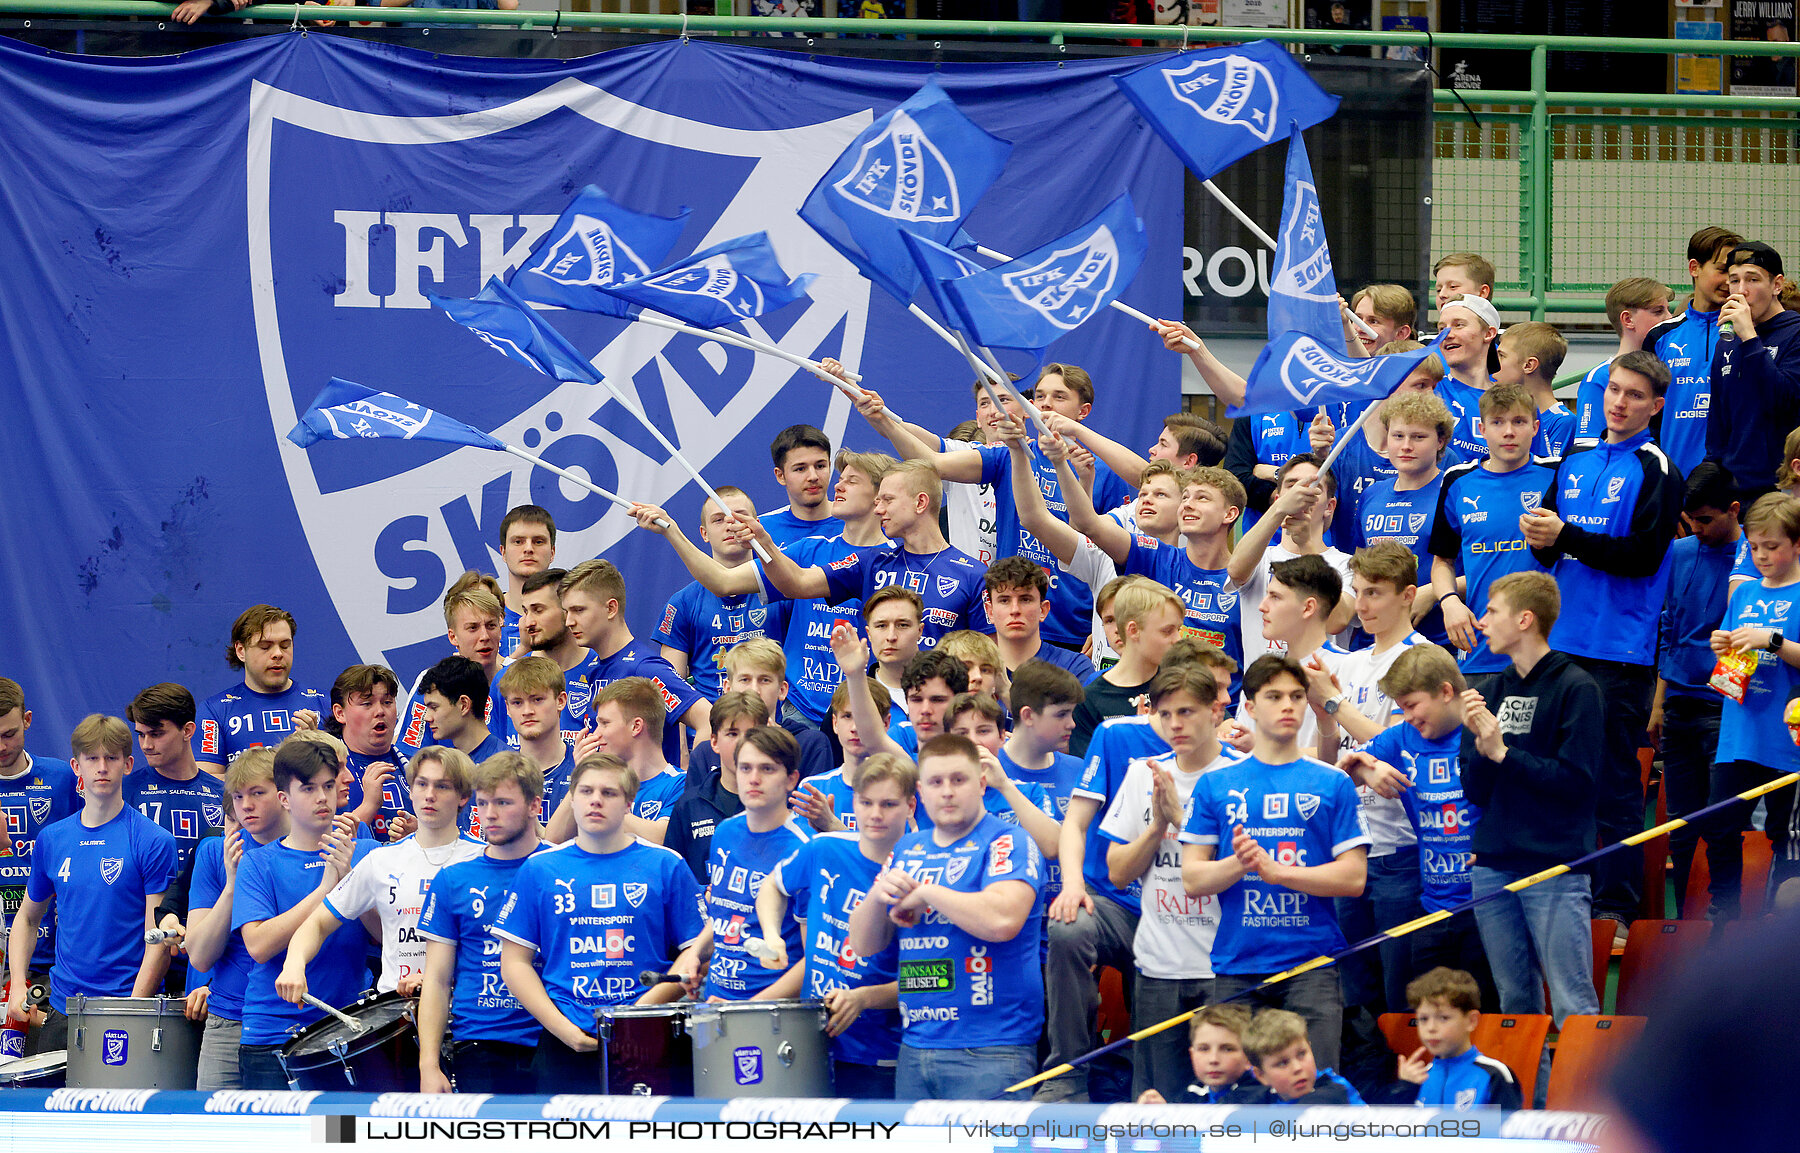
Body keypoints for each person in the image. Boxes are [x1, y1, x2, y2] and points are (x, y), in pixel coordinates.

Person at [1526, 349, 1683, 934]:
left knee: (1615, 783)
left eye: (1635, 395)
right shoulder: (1575, 457)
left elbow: (1643, 559)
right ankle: (1561, 891)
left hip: (1619, 650)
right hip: (1560, 642)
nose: (1619, 402)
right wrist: (1544, 539)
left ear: (1656, 406)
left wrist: (1566, 536)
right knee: (1557, 774)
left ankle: (1615, 905)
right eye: (1614, 390)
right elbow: (1551, 545)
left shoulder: (1658, 469)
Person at [854, 363, 1130, 650]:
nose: (1047, 404)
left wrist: (1106, 621)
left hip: (1077, 624)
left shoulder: (1106, 472)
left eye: (1059, 397)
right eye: (1041, 396)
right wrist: (882, 419)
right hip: (1012, 616)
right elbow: (933, 463)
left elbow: (1118, 557)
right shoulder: (1007, 453)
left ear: (1082, 411)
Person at [1181, 654, 1370, 1072]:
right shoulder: (1216, 783)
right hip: (1237, 965)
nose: (1288, 705)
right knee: (1236, 1097)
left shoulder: (1332, 781)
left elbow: (1354, 877)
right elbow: (1193, 878)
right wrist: (1240, 865)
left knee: (1314, 1094)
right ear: (1248, 707)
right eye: (1274, 696)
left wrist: (1277, 872)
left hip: (1312, 964)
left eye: (1297, 696)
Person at [1460, 572, 1602, 1101]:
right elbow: (1475, 789)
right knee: (1517, 1006)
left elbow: (1578, 783)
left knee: (1572, 1003)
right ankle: (1534, 1114)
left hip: (1555, 867)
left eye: (1491, 611)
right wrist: (1480, 748)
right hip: (1493, 864)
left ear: (1525, 619)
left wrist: (1502, 752)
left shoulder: (1576, 687)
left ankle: (1589, 1116)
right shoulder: (1491, 688)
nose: (1481, 620)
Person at [847, 733, 1046, 1101]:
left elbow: (1003, 920)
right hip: (915, 1045)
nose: (948, 792)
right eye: (936, 782)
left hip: (992, 1047)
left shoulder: (1009, 841)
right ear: (921, 792)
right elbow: (862, 944)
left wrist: (926, 893)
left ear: (982, 784)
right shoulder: (908, 847)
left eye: (959, 779)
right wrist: (878, 896)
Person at [635, 450, 896, 729]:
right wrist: (671, 530)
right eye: (840, 478)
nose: (837, 486)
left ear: (880, 498)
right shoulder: (810, 549)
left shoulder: (891, 562)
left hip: (860, 704)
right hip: (800, 711)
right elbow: (724, 581)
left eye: (851, 481)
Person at [492, 754, 703, 1094]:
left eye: (609, 793)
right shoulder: (540, 869)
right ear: (571, 800)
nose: (596, 800)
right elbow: (514, 962)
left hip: (648, 1034)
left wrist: (639, 1013)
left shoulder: (666, 865)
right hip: (566, 1038)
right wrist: (560, 1027)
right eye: (586, 791)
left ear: (629, 804)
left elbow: (697, 954)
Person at [1299, 542, 1429, 1013]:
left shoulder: (1423, 658)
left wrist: (1333, 704)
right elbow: (1332, 754)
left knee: (1401, 995)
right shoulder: (1348, 663)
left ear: (1408, 595)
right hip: (1350, 844)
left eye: (1375, 592)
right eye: (1358, 592)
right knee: (1353, 998)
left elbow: (1399, 746)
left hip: (1400, 848)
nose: (1364, 605)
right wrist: (1327, 719)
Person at [1099, 664, 1235, 1103]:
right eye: (1165, 713)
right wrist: (1157, 826)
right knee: (1156, 1108)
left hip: (1223, 967)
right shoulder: (1144, 773)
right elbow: (1117, 871)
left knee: (1222, 1107)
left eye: (1187, 712)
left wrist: (1182, 820)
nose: (1175, 725)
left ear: (1215, 710)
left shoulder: (1242, 773)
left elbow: (1249, 866)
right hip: (1159, 967)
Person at [8, 715, 179, 1055]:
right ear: (76, 766)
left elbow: (157, 939)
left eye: (112, 758)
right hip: (62, 1006)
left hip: (128, 1005)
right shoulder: (52, 839)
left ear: (128, 764)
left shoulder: (153, 840)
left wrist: (132, 1009)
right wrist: (16, 985)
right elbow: (27, 919)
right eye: (92, 758)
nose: (102, 767)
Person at [755, 752, 913, 1098]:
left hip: (879, 1056)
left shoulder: (921, 872)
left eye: (888, 804)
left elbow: (932, 979)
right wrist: (771, 935)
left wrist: (864, 998)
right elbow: (772, 887)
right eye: (866, 802)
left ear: (911, 806)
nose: (875, 814)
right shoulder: (825, 847)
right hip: (812, 1039)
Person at [279, 746, 481, 1003]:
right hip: (398, 1014)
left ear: (463, 797)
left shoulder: (484, 859)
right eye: (421, 784)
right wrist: (294, 964)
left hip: (467, 1009)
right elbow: (317, 923)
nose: (429, 795)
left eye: (442, 786)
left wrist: (436, 979)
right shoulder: (381, 860)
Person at [1346, 643, 1490, 999]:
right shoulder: (1402, 737)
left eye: (1411, 705)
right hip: (1432, 908)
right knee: (1424, 1022)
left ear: (1445, 692)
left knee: (1486, 1017)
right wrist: (1369, 767)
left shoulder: (1484, 728)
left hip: (1487, 907)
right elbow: (1343, 773)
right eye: (1400, 707)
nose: (1406, 716)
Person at [230, 738, 368, 1090]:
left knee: (341, 1140)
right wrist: (326, 891)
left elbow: (383, 939)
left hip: (348, 1028)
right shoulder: (258, 863)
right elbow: (259, 946)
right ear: (285, 799)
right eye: (308, 788)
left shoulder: (367, 852)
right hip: (273, 1034)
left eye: (328, 786)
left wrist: (351, 881)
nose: (322, 797)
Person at [750, 459, 991, 650]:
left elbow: (990, 658)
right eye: (877, 501)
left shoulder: (974, 576)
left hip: (939, 706)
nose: (878, 509)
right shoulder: (872, 563)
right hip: (881, 707)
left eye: (887, 500)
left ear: (920, 503)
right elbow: (796, 584)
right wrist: (764, 544)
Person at [416, 752, 547, 1094]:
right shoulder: (452, 880)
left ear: (535, 805)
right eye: (483, 803)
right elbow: (437, 979)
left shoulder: (562, 868)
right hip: (481, 1040)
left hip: (555, 1035)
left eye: (503, 803)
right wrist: (428, 1064)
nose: (490, 814)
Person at [1065, 455, 1249, 693]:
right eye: (1185, 498)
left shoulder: (1249, 577)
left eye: (1201, 498)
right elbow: (1088, 524)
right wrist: (1062, 463)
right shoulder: (1157, 557)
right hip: (1161, 708)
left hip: (1225, 713)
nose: (1188, 505)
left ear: (1230, 514)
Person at [1701, 493, 1800, 912]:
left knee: (1785, 837)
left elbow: (1773, 644)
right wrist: (1721, 645)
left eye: (1771, 547)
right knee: (1719, 825)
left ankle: (1780, 927)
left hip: (1787, 739)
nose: (1760, 556)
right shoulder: (1744, 595)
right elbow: (1728, 656)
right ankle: (1724, 916)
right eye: (1754, 547)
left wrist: (1772, 641)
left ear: (1797, 544)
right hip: (1739, 733)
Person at [1653, 463, 1741, 912]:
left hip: (1725, 711)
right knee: (1681, 829)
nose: (1698, 530)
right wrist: (1658, 703)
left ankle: (1722, 928)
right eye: (1691, 522)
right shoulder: (1681, 552)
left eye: (1707, 520)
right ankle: (1687, 922)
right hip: (1679, 708)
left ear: (1733, 510)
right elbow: (1669, 626)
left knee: (1722, 827)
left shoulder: (1753, 557)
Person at [1430, 384, 1555, 686]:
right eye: (1498, 423)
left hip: (1545, 652)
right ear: (1482, 428)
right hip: (1481, 649)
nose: (1508, 432)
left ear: (1535, 427)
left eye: (1519, 422)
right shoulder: (1458, 481)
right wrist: (1449, 602)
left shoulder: (1557, 476)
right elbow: (1442, 561)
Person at [676, 726, 812, 1002]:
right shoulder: (724, 832)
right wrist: (695, 952)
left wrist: (747, 1009)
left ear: (791, 779)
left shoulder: (805, 848)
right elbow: (725, 915)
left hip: (773, 1011)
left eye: (767, 769)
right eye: (745, 768)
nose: (754, 779)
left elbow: (814, 960)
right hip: (715, 998)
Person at [184, 748, 286, 1089]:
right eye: (238, 796)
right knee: (213, 1139)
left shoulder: (310, 848)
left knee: (301, 1136)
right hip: (226, 1021)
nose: (246, 806)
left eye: (257, 793)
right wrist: (231, 887)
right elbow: (199, 955)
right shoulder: (216, 852)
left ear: (285, 793)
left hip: (292, 1018)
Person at [559, 559, 709, 765]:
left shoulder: (645, 668)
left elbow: (708, 720)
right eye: (566, 612)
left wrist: (694, 787)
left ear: (611, 608)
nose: (569, 622)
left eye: (579, 610)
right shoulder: (594, 668)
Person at [655, 486, 790, 701]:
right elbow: (673, 689)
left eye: (739, 516)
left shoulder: (783, 587)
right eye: (718, 520)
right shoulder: (682, 603)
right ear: (704, 533)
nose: (730, 525)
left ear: (756, 525)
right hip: (710, 728)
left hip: (773, 727)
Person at [1347, 392, 1456, 643]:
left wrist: (1435, 592)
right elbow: (1360, 567)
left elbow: (1483, 569)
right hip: (1374, 641)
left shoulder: (1455, 491)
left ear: (1440, 441)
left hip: (1440, 640)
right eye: (1398, 436)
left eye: (1418, 437)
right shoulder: (1371, 495)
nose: (1406, 446)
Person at [1226, 454, 1354, 665]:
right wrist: (1279, 510)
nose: (1301, 494)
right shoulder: (1260, 555)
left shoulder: (1346, 565)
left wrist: (1307, 545)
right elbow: (1236, 570)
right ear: (1278, 498)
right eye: (1292, 487)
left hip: (1319, 693)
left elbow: (1336, 621)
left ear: (1329, 506)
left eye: (1314, 487)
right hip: (1261, 693)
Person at [0, 678, 79, 1006]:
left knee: (40, 1055)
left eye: (9, 734)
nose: (1, 747)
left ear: (28, 721)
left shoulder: (61, 778)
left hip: (50, 959)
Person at [1643, 228, 1742, 474]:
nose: (1729, 281)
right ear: (1694, 268)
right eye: (1721, 270)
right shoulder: (1661, 336)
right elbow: (1646, 416)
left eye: (1735, 274)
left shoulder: (1750, 334)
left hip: (1731, 486)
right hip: (1673, 480)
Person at [1708, 241, 1800, 505]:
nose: (1741, 291)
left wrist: (1749, 336)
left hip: (1781, 489)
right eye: (1734, 281)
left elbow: (1783, 399)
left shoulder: (1795, 333)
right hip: (1735, 490)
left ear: (1777, 285)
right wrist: (1712, 474)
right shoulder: (1727, 340)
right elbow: (1718, 420)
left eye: (1752, 280)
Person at [194, 605, 327, 772]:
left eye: (285, 645)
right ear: (241, 651)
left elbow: (344, 777)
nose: (278, 654)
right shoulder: (215, 711)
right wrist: (283, 762)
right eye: (265, 646)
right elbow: (208, 782)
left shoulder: (323, 703)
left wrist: (316, 749)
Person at [682, 638, 834, 785]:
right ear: (727, 688)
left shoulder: (810, 744)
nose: (754, 690)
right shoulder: (705, 753)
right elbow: (693, 808)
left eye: (765, 680)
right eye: (745, 680)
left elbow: (810, 808)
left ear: (782, 690)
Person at [1070, 580, 1186, 758]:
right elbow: (1093, 776)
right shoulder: (1089, 700)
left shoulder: (1186, 682)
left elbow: (1221, 733)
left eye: (1178, 629)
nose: (1177, 640)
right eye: (1167, 631)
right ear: (1133, 630)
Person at [1250, 555, 1350, 759]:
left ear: (1308, 608)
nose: (1262, 606)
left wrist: (1262, 750)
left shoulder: (1350, 668)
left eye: (1275, 597)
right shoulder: (1262, 672)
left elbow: (1350, 752)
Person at [663, 692, 766, 881]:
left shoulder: (778, 804)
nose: (743, 743)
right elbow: (673, 878)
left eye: (752, 733)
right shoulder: (688, 806)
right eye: (732, 734)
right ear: (714, 742)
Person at [125, 683, 226, 874]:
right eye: (141, 734)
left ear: (187, 731)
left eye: (156, 734)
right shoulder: (123, 793)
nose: (146, 745)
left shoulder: (223, 795)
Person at [400, 572, 508, 751]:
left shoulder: (519, 679)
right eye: (473, 628)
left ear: (500, 628)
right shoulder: (433, 682)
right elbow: (410, 756)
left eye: (491, 626)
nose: (485, 636)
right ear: (453, 637)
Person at [1397, 966, 1521, 1110]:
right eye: (1423, 1019)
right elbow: (1400, 1131)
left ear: (1471, 1021)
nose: (1431, 1028)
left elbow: (1505, 1131)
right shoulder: (1418, 1079)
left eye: (1443, 1018)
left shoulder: (1494, 1076)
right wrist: (1404, 1088)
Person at [1575, 277, 1676, 445]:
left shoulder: (1674, 369)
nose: (1670, 318)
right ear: (1628, 319)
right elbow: (1588, 448)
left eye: (1668, 310)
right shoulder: (1599, 378)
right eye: (1658, 311)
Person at [330, 664, 414, 842]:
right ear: (340, 713)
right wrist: (369, 806)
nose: (380, 711)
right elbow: (319, 848)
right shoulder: (324, 772)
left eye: (387, 702)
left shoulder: (420, 766)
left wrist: (419, 834)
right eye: (367, 704)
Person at [513, 567, 595, 744]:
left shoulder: (603, 671)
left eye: (538, 610)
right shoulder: (508, 680)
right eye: (526, 611)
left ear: (567, 611)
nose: (528, 622)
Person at [982, 557, 1095, 680]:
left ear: (1043, 610)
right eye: (1004, 600)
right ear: (990, 612)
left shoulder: (1074, 668)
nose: (1015, 610)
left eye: (1025, 599)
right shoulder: (972, 671)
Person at [496, 654, 576, 823]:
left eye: (537, 699)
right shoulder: (495, 776)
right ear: (507, 709)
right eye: (517, 702)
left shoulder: (586, 770)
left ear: (560, 701)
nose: (527, 711)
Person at [1234, 1008, 1366, 1105]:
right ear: (1261, 1075)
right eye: (1282, 1063)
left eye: (1302, 1054)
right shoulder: (1259, 1101)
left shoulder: (1334, 1089)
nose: (1297, 1068)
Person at [1134, 1004, 1257, 1105]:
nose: (1213, 1059)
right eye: (1204, 1049)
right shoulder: (1193, 1093)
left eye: (1227, 1049)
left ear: (1249, 1058)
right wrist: (1160, 1113)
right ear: (1192, 1055)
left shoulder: (1261, 1095)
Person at [1434, 294, 1504, 463]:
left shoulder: (1513, 400)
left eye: (1458, 325)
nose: (1447, 334)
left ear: (1488, 333)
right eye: (1441, 328)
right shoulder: (1428, 391)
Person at [1492, 322, 1573, 458]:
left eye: (1502, 356)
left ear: (1529, 365)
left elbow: (1547, 474)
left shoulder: (1562, 422)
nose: (1494, 364)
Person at [415, 656, 504, 775]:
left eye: (434, 708)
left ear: (464, 705)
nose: (427, 717)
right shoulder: (441, 769)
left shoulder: (507, 769)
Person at [760, 425, 836, 546]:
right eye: (800, 469)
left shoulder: (860, 522)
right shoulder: (760, 532)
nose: (813, 476)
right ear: (780, 476)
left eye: (820, 466)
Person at [496, 504, 557, 656]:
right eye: (518, 541)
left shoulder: (572, 618)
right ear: (503, 552)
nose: (528, 548)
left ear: (552, 552)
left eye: (538, 541)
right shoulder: (485, 619)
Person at [862, 586, 924, 720]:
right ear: (869, 633)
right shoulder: (853, 697)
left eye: (902, 625)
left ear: (920, 631)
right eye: (881, 626)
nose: (891, 636)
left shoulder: (947, 693)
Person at [1348, 284, 1418, 354]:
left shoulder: (1420, 364)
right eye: (1357, 319)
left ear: (1401, 333)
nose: (1359, 329)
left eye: (1373, 321)